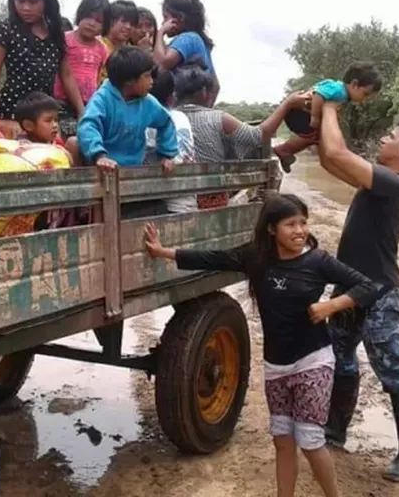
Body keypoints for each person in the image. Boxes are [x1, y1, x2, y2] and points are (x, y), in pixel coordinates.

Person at [144, 193, 382, 497]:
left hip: (314, 361)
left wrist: (331, 306)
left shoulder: (318, 261)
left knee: (310, 440)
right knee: (282, 440)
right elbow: (212, 257)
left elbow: (368, 287)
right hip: (276, 367)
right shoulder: (255, 258)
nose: (300, 230)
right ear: (271, 229)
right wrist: (163, 251)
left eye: (303, 223)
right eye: (290, 224)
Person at [316, 99, 399, 482]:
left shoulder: (394, 184)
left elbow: (336, 151)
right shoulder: (380, 179)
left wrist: (331, 106)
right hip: (350, 285)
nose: (382, 138)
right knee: (342, 359)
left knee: (394, 371)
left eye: (390, 136)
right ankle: (335, 429)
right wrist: (319, 116)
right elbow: (328, 160)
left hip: (379, 293)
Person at [172, 59, 295, 208]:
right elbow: (259, 136)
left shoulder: (165, 118)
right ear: (204, 92)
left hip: (173, 197)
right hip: (210, 200)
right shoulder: (217, 118)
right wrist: (287, 104)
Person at [0, 0, 82, 132]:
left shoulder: (55, 32)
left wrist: (82, 111)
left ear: (46, 1)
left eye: (33, 2)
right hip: (12, 114)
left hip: (45, 115)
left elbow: (66, 76)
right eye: (20, 1)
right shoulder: (7, 29)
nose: (26, 8)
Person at [76, 46, 177, 172]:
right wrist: (99, 156)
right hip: (102, 169)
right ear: (129, 80)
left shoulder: (148, 102)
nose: (152, 82)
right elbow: (88, 126)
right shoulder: (102, 99)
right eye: (147, 76)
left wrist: (166, 155)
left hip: (134, 168)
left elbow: (166, 122)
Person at [273, 63, 382, 172]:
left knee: (317, 137)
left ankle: (286, 150)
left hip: (298, 113)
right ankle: (284, 150)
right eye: (365, 94)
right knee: (313, 136)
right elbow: (318, 94)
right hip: (297, 113)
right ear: (354, 84)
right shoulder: (339, 91)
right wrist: (315, 117)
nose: (365, 99)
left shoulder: (340, 91)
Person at [52, 0, 109, 138]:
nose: (92, 23)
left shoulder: (102, 48)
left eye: (98, 21)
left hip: (88, 103)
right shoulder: (65, 40)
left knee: (87, 136)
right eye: (88, 17)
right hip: (62, 102)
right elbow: (63, 73)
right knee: (67, 135)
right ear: (79, 15)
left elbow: (97, 77)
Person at [153, 0, 220, 103]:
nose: (163, 22)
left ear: (180, 18)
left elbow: (160, 64)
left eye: (165, 17)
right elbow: (216, 86)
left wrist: (160, 33)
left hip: (182, 107)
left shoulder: (188, 38)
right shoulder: (199, 40)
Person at [146, 67, 196, 214]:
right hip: (186, 198)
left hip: (154, 199)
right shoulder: (181, 117)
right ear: (171, 97)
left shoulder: (144, 119)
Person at [98, 0, 139, 84]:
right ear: (110, 20)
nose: (128, 27)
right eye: (124, 21)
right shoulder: (97, 45)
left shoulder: (131, 52)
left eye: (132, 24)